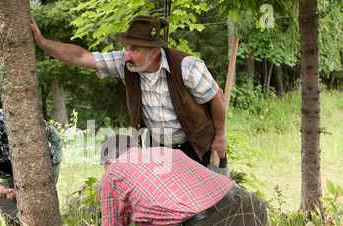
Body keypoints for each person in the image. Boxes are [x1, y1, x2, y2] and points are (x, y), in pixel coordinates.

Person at [31, 15, 228, 168]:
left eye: (134, 49)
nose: (127, 56)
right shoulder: (124, 64)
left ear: (153, 51)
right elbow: (81, 57)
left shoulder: (187, 66)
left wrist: (219, 137)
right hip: (160, 148)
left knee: (210, 204)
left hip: (197, 144)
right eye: (125, 48)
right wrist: (41, 42)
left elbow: (216, 97)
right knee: (167, 208)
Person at [98, 134, 267, 226]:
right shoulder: (166, 152)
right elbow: (183, 211)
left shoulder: (112, 174)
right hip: (253, 210)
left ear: (109, 160)